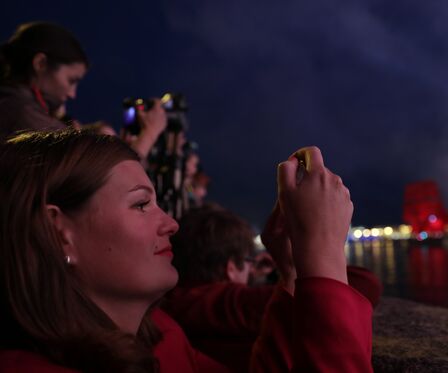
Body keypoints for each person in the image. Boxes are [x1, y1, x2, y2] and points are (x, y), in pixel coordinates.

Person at [0, 129, 373, 372]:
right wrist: (324, 254)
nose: (171, 224)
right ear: (59, 232)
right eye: (141, 204)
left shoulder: (161, 337)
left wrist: (292, 270)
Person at [164, 204, 382, 371]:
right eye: (248, 262)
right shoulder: (228, 304)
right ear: (231, 268)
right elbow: (363, 283)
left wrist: (282, 270)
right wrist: (300, 260)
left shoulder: (175, 302)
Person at [0, 21, 166, 159]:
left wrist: (90, 137)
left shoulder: (13, 104)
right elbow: (105, 177)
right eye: (71, 80)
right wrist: (150, 133)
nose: (72, 94)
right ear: (40, 64)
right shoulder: (18, 111)